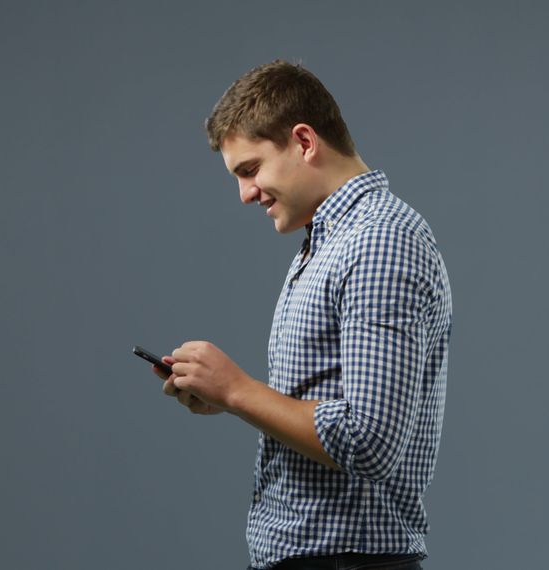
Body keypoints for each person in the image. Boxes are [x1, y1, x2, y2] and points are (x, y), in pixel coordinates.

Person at [150, 60, 452, 570]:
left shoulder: (379, 241)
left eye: (250, 170)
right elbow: (331, 407)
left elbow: (369, 440)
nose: (246, 193)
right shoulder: (330, 242)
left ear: (305, 142)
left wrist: (238, 390)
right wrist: (233, 401)